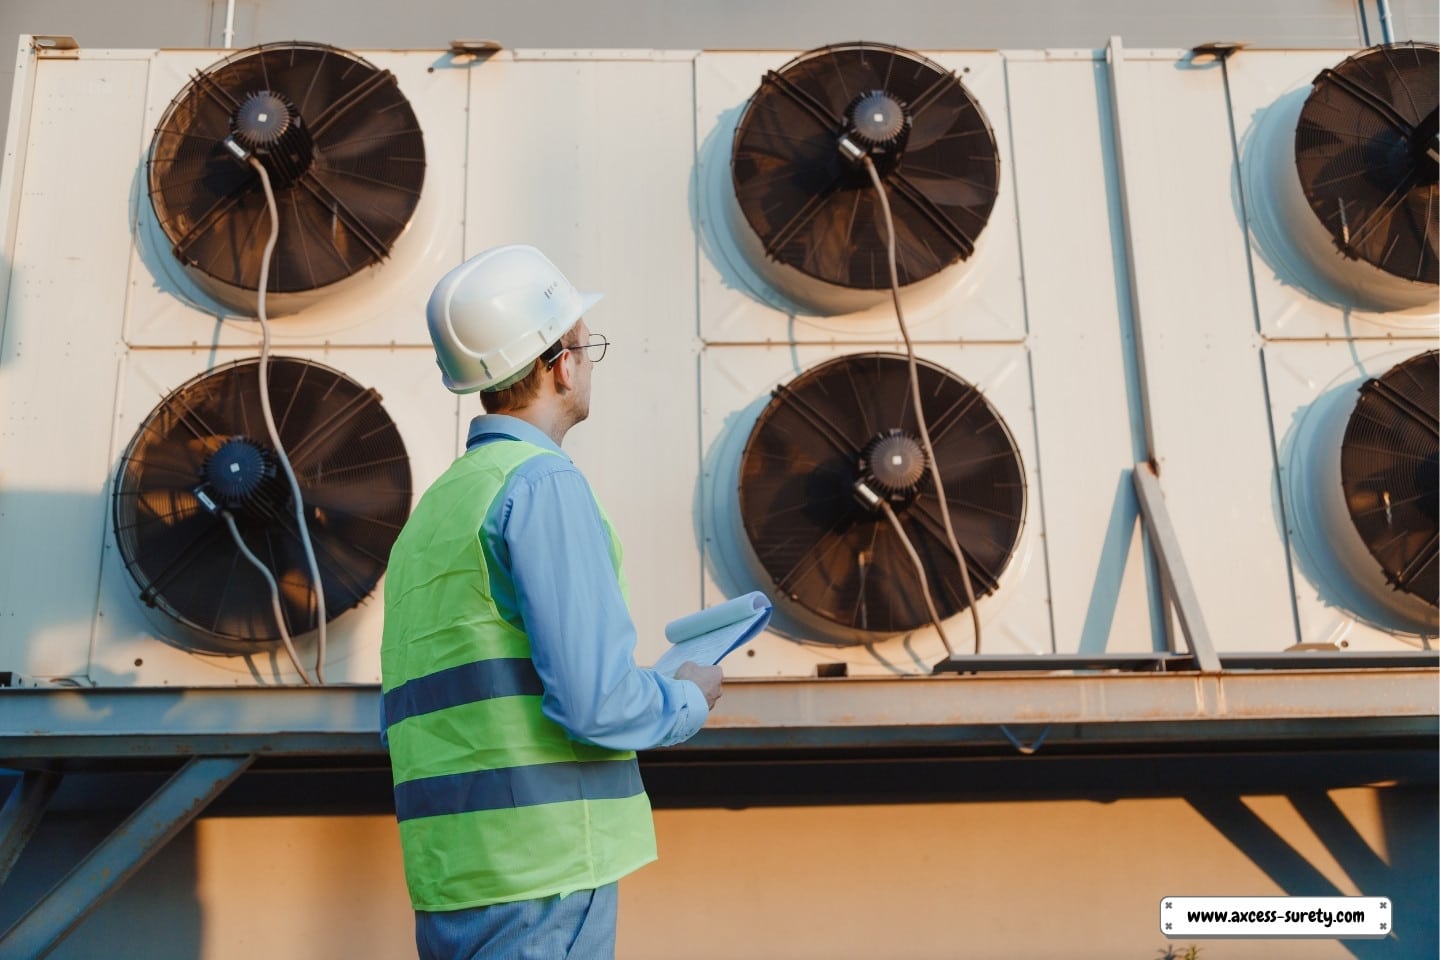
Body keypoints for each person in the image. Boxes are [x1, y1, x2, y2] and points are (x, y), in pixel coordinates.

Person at [380, 243, 723, 959]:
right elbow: (595, 705)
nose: (588, 361)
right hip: (544, 870)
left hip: (456, 876)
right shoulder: (541, 486)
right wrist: (684, 697)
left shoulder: (438, 511)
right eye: (583, 344)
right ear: (557, 362)